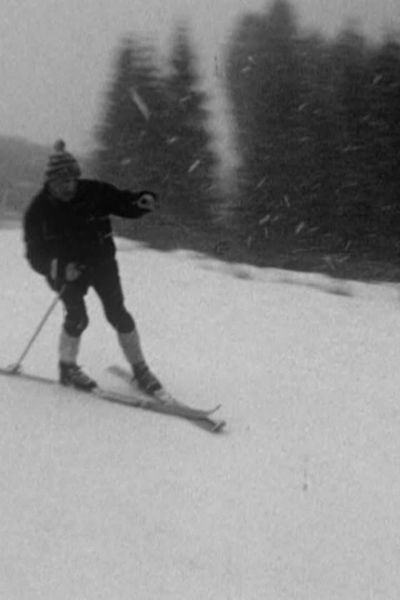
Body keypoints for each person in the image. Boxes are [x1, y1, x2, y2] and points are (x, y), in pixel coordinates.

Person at [23, 139, 163, 394]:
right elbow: (35, 255)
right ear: (49, 182)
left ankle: (141, 370)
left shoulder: (93, 192)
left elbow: (122, 201)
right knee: (77, 318)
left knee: (118, 313)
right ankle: (68, 367)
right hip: (67, 271)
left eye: (71, 180)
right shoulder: (38, 211)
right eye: (60, 182)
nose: (67, 187)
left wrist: (140, 202)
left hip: (102, 263)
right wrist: (60, 268)